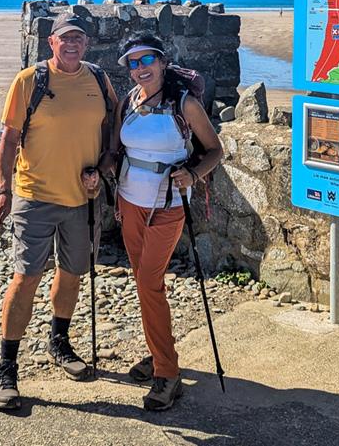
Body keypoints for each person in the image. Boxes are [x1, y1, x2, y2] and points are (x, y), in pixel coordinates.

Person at [0, 14, 117, 411]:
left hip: (82, 198)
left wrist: (106, 165)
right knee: (26, 277)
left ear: (87, 43)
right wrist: (3, 190)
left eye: (79, 38)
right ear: (52, 43)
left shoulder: (98, 79)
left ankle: (59, 340)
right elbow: (9, 138)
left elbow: (112, 124)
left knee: (73, 273)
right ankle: (6, 365)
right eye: (65, 39)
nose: (72, 44)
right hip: (35, 196)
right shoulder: (30, 81)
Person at [108, 34, 222, 411]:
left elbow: (214, 150)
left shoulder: (184, 104)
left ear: (161, 61)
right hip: (129, 202)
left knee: (149, 283)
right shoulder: (129, 102)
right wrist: (101, 171)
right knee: (145, 285)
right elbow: (115, 151)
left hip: (167, 206)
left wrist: (193, 173)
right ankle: (159, 354)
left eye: (146, 61)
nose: (140, 69)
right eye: (133, 63)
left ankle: (168, 373)